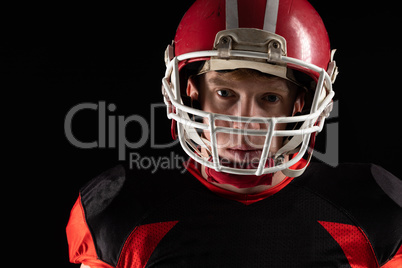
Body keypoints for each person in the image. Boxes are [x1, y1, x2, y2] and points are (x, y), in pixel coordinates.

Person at [66, 0, 402, 267]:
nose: (245, 122)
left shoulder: (374, 212)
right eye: (226, 93)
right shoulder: (121, 211)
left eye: (269, 98)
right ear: (191, 91)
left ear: (301, 102)